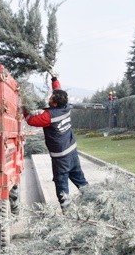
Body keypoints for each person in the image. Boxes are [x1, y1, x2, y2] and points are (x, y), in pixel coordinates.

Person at [24, 76, 88, 209]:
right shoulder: (66, 106)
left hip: (61, 157)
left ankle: (67, 212)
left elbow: (30, 120)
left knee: (61, 183)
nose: (50, 97)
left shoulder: (48, 117)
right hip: (72, 152)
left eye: (51, 97)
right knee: (79, 178)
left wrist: (25, 107)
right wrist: (54, 80)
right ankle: (93, 199)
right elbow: (58, 91)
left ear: (54, 103)